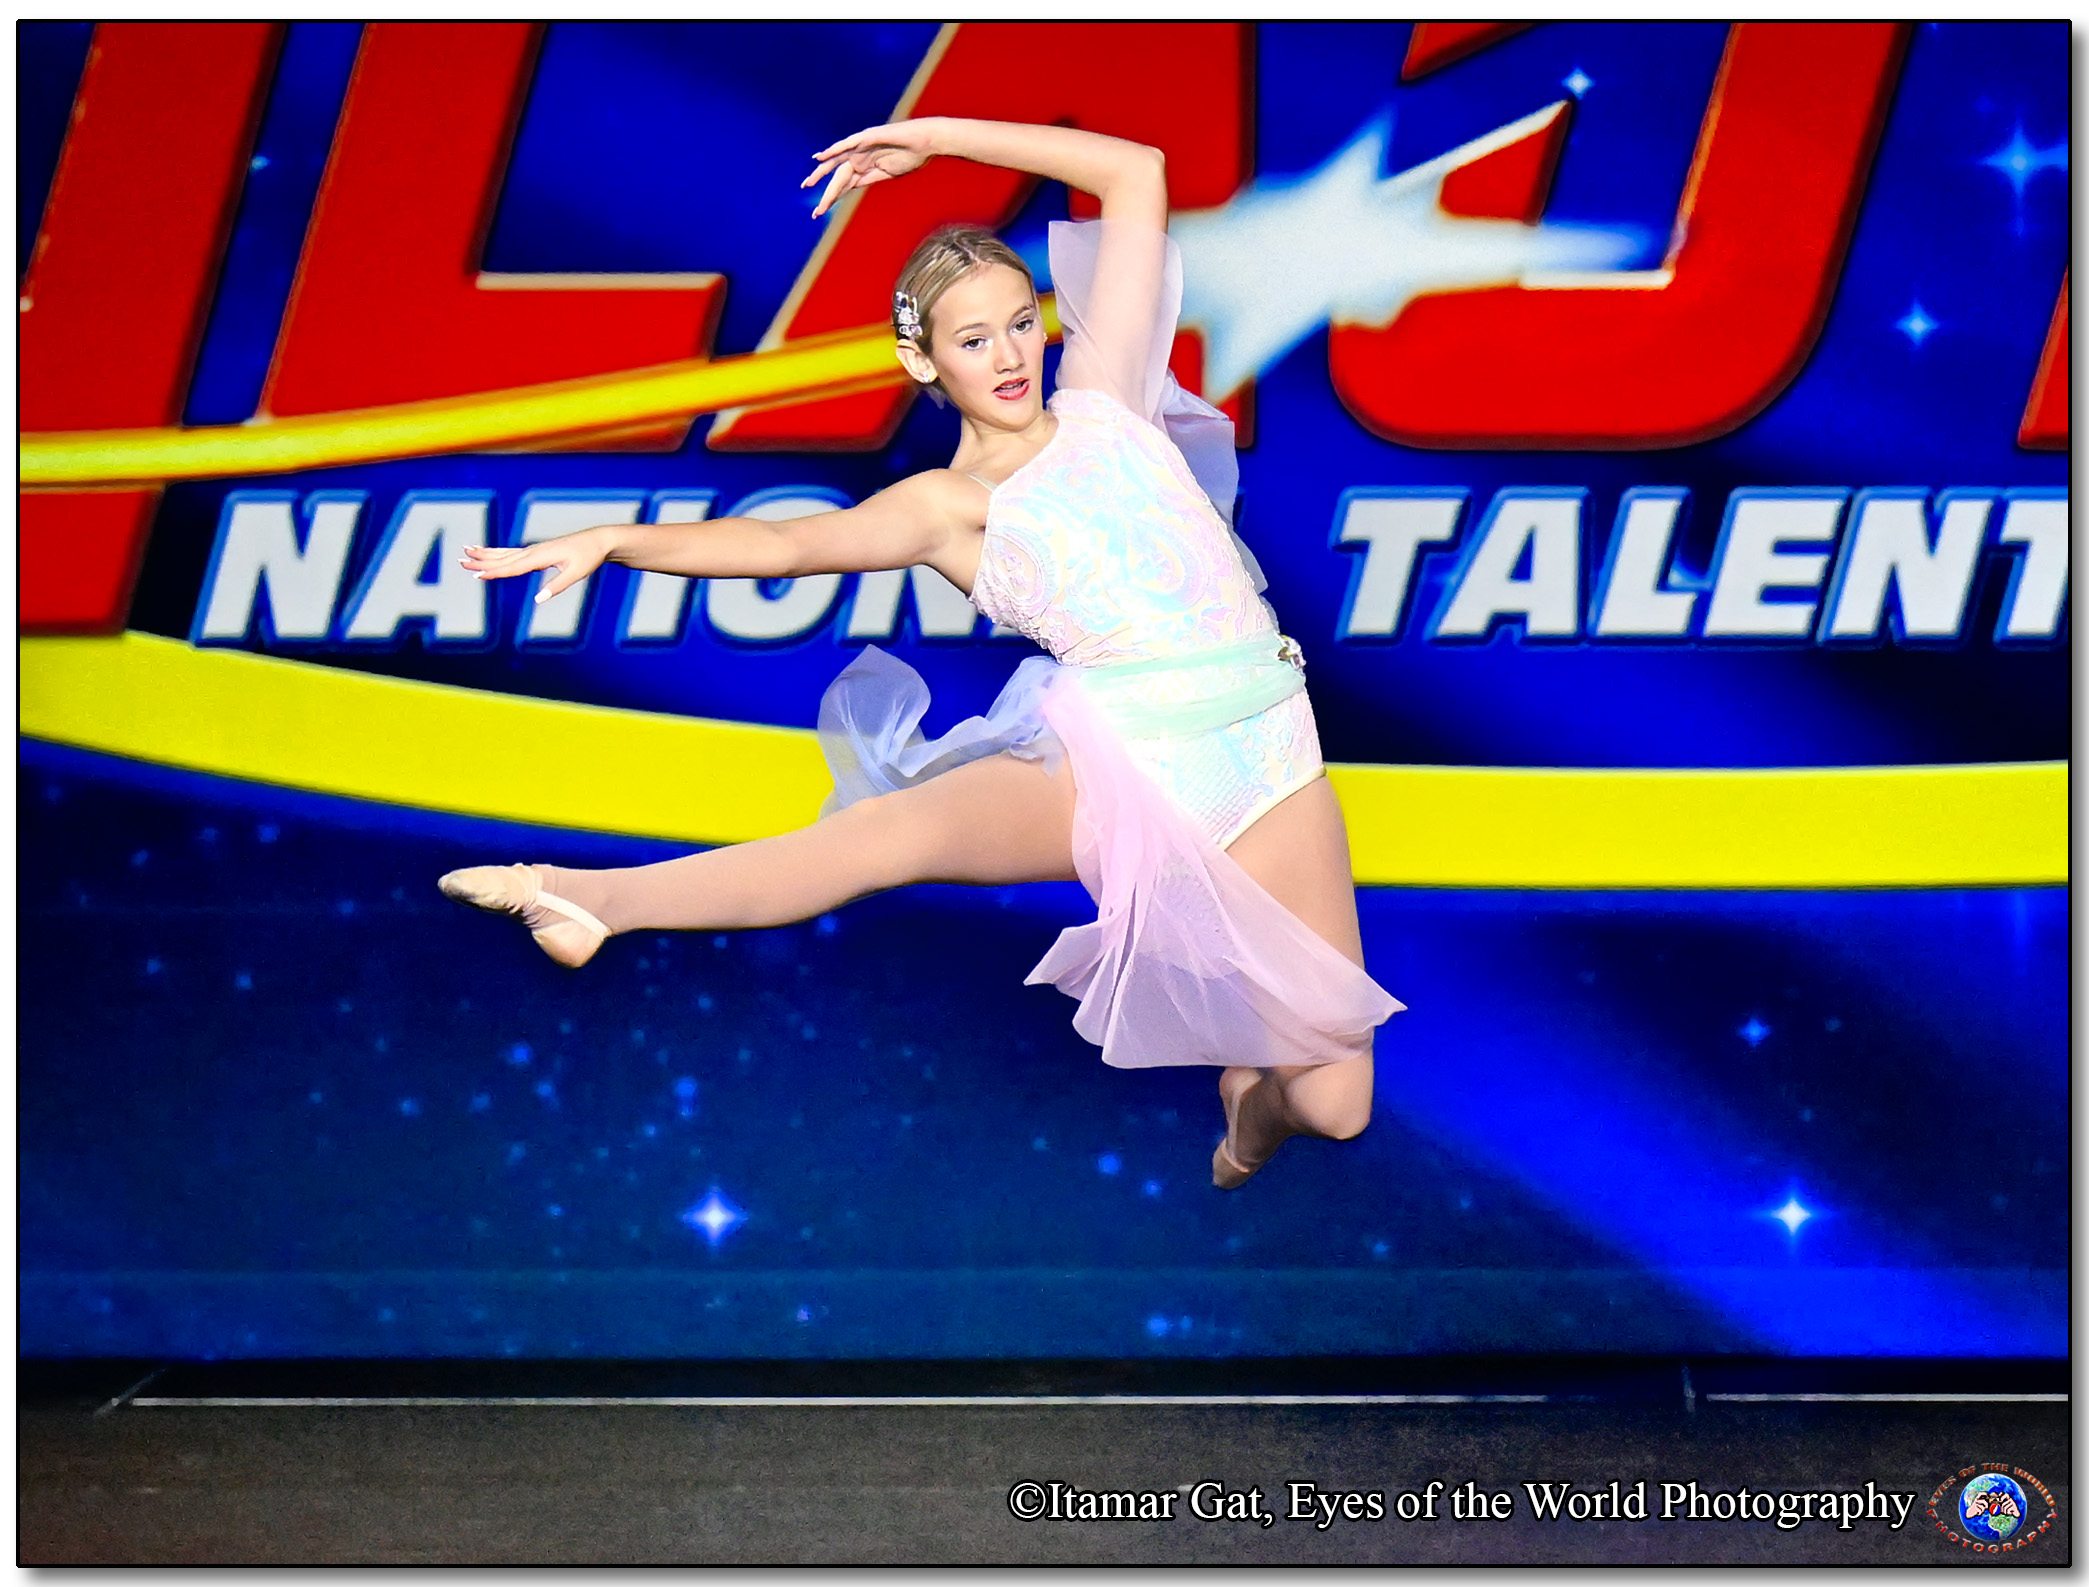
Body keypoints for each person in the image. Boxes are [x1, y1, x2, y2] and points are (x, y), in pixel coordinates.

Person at [442, 117, 1402, 1188]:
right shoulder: (949, 504)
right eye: (972, 339)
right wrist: (618, 538)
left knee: (1336, 1106)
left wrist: (938, 138)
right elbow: (783, 545)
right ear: (922, 359)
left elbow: (1138, 170)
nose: (1008, 356)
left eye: (1018, 324)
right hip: (1130, 767)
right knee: (882, 838)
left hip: (1273, 753)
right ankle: (588, 896)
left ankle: (1245, 1119)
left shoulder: (1108, 400)